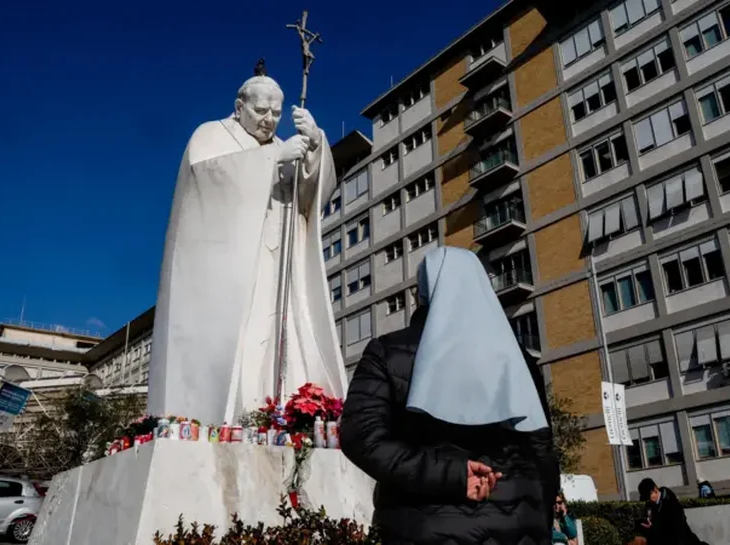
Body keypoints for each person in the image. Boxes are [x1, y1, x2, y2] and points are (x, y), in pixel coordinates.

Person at [147, 59, 347, 424]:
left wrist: (316, 146)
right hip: (233, 268)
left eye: (276, 112)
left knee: (277, 338)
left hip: (277, 265)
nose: (269, 120)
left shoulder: (288, 145)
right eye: (260, 111)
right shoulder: (210, 135)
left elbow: (311, 198)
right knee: (241, 344)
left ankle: (281, 411)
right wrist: (270, 160)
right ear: (239, 108)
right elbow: (204, 182)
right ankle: (236, 414)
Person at [340, 247, 560, 545]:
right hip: (521, 527)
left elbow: (362, 437)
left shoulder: (389, 352)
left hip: (421, 526)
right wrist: (540, 520)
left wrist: (451, 475)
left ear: (424, 292)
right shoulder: (519, 360)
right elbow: (542, 452)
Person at [637, 478, 706, 545]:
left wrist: (654, 527)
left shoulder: (671, 502)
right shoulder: (652, 505)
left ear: (655, 489)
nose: (648, 500)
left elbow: (677, 529)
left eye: (649, 497)